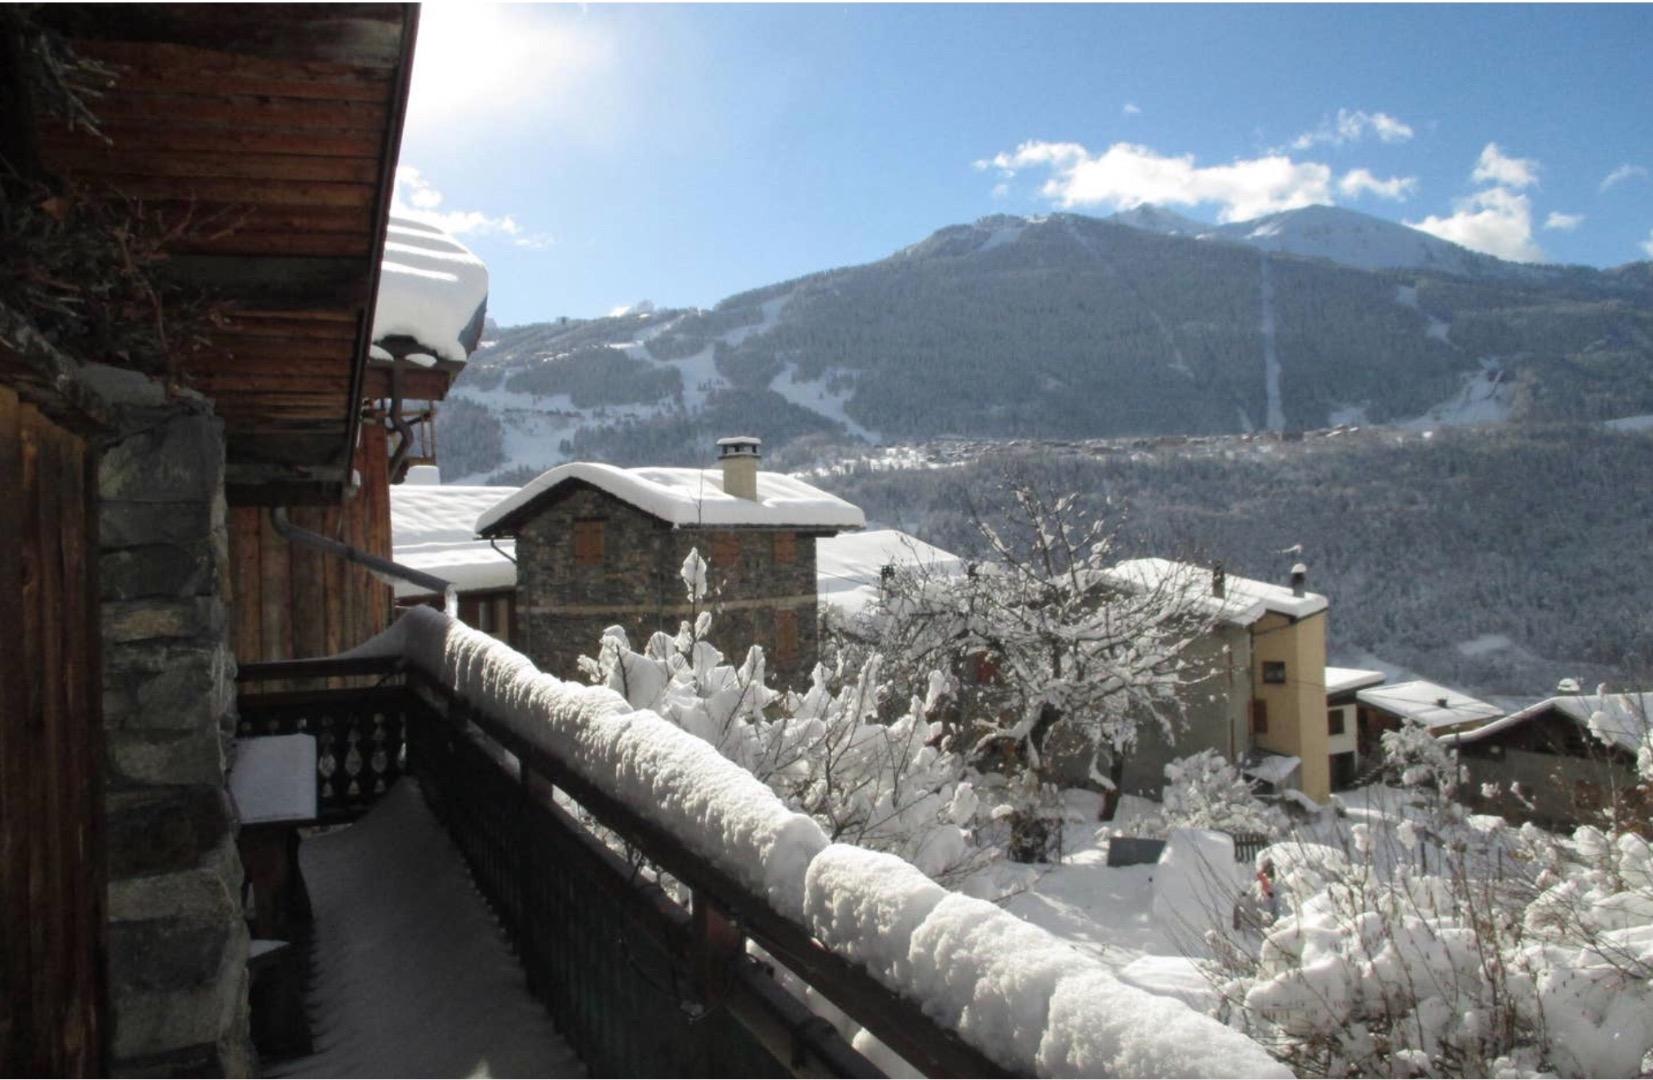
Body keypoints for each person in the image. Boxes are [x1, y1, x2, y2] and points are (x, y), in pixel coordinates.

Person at [1256, 857, 1279, 922]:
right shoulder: (1263, 875)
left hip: (1269, 894)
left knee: (1270, 907)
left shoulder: (1269, 874)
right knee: (1267, 908)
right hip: (1265, 894)